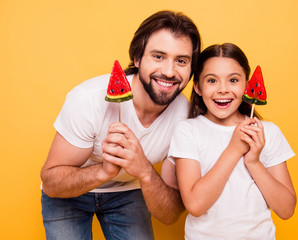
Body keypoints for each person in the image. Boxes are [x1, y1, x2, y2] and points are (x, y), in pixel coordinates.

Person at [40, 10, 201, 240]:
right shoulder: (88, 99)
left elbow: (170, 214)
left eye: (181, 61)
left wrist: (145, 171)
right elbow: (51, 183)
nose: (169, 71)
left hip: (128, 191)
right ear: (137, 58)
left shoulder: (185, 117)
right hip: (70, 192)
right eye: (158, 56)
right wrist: (104, 171)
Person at [168, 43, 296, 240]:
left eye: (233, 80)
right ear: (198, 87)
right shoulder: (187, 131)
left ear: (246, 85)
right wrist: (234, 150)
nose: (223, 89)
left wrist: (253, 162)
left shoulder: (268, 132)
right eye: (212, 81)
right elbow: (195, 205)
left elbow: (286, 209)